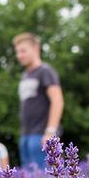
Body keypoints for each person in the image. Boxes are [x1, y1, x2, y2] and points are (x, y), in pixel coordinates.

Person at [14, 32, 64, 169]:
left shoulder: (45, 71)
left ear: (36, 48)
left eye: (23, 51)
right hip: (26, 135)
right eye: (17, 52)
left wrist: (50, 132)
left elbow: (57, 100)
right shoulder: (25, 75)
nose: (19, 55)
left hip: (42, 135)